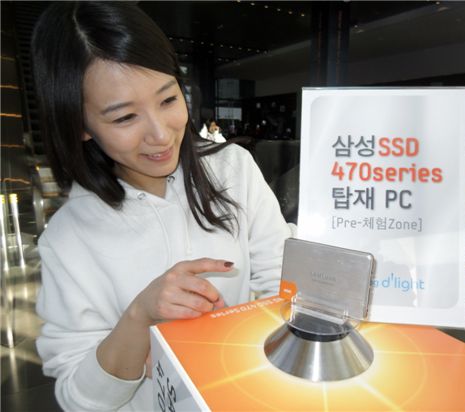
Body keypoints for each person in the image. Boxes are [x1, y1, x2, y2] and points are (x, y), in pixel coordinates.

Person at [31, 2, 292, 411]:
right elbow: (79, 400)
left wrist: (224, 334)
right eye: (124, 118)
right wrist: (139, 318)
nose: (160, 134)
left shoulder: (233, 169)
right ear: (80, 125)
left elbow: (283, 282)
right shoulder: (68, 236)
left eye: (168, 99)